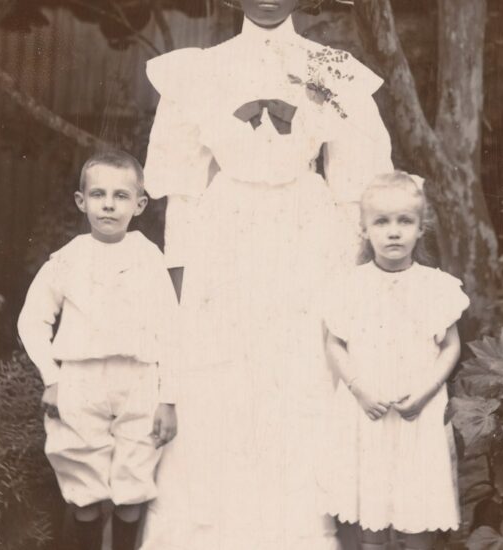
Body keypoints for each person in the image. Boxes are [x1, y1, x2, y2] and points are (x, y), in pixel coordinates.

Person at [139, 1, 394, 549]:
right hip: (225, 233)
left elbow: (355, 184)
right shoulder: (200, 70)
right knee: (222, 378)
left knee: (298, 375)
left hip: (306, 234)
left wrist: (348, 276)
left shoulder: (332, 68)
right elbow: (181, 190)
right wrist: (183, 281)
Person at [17, 150, 179, 550]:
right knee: (82, 483)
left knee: (132, 485)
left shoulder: (148, 258)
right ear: (81, 200)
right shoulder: (67, 260)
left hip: (138, 379)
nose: (108, 204)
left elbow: (172, 330)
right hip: (80, 380)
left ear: (139, 204)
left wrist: (169, 398)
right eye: (99, 194)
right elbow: (31, 320)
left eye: (121, 196)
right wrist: (51, 379)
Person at [322, 171, 469, 550]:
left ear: (421, 229)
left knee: (416, 504)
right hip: (368, 410)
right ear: (364, 229)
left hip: (416, 410)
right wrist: (359, 390)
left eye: (405, 221)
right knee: (372, 506)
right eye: (381, 222)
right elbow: (335, 342)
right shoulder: (350, 286)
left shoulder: (435, 286)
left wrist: (425, 392)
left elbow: (450, 345)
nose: (393, 232)